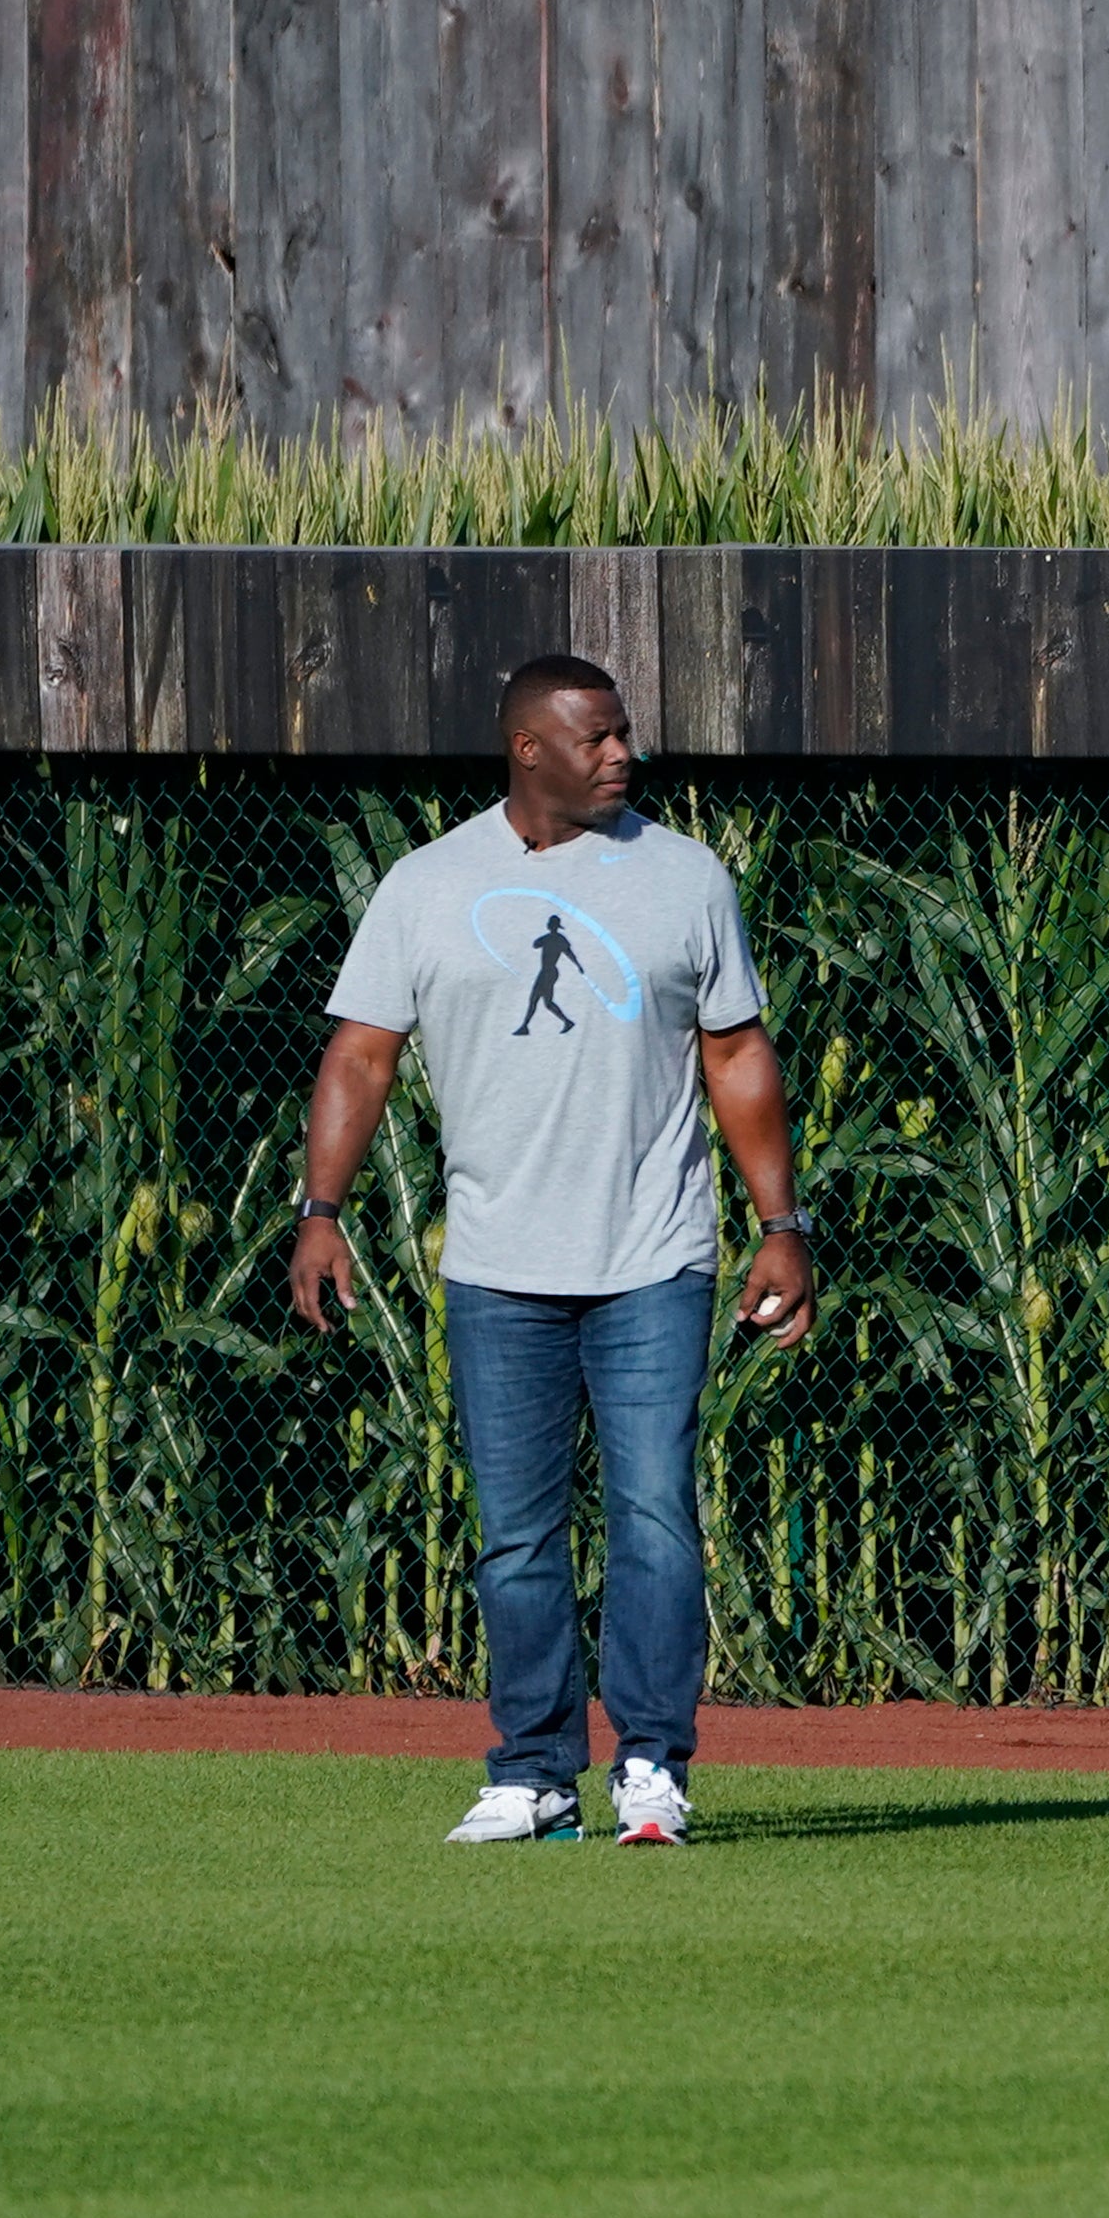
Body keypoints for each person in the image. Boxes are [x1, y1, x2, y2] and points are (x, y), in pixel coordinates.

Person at [289, 653, 820, 1846]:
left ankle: (650, 1766)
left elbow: (736, 1053)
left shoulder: (685, 877)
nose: (623, 753)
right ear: (528, 748)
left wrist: (780, 1227)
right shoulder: (428, 884)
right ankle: (531, 1774)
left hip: (654, 1258)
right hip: (495, 1267)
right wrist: (320, 1210)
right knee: (517, 1536)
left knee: (655, 1517)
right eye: (597, 737)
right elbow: (360, 1053)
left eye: (625, 732)